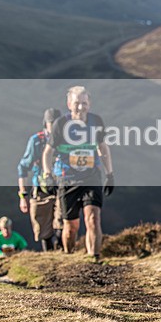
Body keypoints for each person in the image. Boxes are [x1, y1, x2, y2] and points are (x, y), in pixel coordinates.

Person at [41, 86, 114, 262]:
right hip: (67, 179)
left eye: (84, 103)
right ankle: (69, 257)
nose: (81, 107)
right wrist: (48, 175)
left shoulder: (96, 121)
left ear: (89, 104)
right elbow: (48, 153)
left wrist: (109, 174)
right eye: (76, 103)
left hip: (91, 177)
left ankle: (94, 259)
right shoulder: (61, 124)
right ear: (69, 104)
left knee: (93, 219)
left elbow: (103, 148)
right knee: (71, 226)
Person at [17, 108, 63, 251]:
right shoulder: (36, 141)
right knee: (42, 228)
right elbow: (23, 168)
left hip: (63, 187)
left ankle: (62, 251)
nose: (54, 126)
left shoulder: (68, 140)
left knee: (63, 223)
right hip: (41, 189)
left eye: (57, 123)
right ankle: (48, 255)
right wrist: (23, 195)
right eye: (51, 123)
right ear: (45, 124)